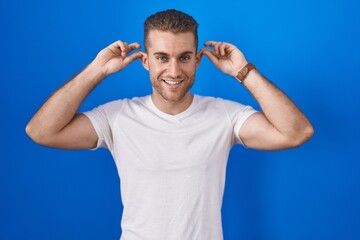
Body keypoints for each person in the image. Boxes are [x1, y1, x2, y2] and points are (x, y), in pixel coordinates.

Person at [26, 9, 313, 240]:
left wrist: (243, 71)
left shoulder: (225, 115)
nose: (174, 71)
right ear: (145, 60)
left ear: (198, 60)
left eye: (184, 58)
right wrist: (96, 71)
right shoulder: (117, 117)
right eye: (162, 57)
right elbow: (41, 131)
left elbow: (297, 132)